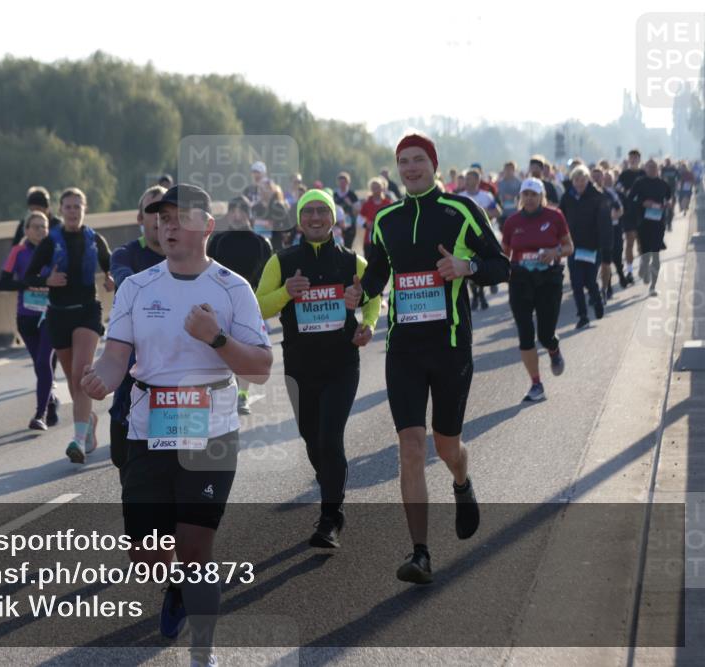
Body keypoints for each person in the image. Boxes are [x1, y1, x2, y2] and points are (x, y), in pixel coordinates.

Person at [81, 184, 272, 667]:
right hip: (149, 426)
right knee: (147, 556)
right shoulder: (137, 288)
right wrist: (99, 381)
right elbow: (116, 358)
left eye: (179, 217)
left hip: (211, 427)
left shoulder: (233, 288)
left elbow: (260, 368)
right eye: (161, 218)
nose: (168, 226)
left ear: (207, 226)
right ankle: (177, 587)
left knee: (194, 546)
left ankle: (202, 654)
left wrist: (217, 338)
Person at [344, 133, 508, 584]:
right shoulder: (385, 219)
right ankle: (420, 553)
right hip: (404, 350)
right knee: (410, 446)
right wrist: (361, 292)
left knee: (445, 445)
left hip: (451, 346)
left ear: (434, 165)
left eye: (418, 160)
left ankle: (461, 480)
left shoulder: (460, 211)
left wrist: (466, 267)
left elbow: (501, 265)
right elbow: (377, 275)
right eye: (403, 161)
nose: (411, 168)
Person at [255, 188, 380, 548]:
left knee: (329, 437)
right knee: (312, 439)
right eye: (307, 211)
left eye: (321, 211)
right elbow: (258, 307)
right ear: (299, 219)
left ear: (333, 218)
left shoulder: (350, 261)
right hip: (299, 365)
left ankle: (330, 517)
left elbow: (374, 299)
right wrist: (286, 293)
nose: (314, 217)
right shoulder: (282, 260)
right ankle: (330, 484)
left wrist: (367, 325)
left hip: (342, 363)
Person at [25, 187, 114, 464]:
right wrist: (47, 281)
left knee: (81, 373)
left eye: (78, 206)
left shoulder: (94, 239)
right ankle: (89, 421)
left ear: (84, 209)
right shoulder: (50, 242)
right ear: (60, 211)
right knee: (74, 382)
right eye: (68, 207)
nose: (73, 211)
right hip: (58, 314)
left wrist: (113, 280)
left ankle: (76, 439)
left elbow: (112, 266)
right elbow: (29, 275)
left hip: (87, 311)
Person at [107, 185, 166, 472]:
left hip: (175, 376)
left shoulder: (187, 258)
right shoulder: (125, 254)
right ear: (139, 218)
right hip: (132, 369)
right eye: (151, 210)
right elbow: (125, 281)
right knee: (122, 459)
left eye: (164, 211)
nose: (157, 218)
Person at [501, 179, 573, 401]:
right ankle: (536, 383)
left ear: (541, 195)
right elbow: (504, 253)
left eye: (534, 194)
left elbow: (570, 247)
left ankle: (553, 348)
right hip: (521, 281)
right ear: (521, 197)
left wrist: (555, 252)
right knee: (525, 334)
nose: (529, 198)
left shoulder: (555, 216)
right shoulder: (512, 222)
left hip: (548, 281)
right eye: (526, 194)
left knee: (545, 333)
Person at [207, 195, 273, 415]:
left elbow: (268, 279)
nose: (237, 215)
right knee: (221, 350)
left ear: (248, 213)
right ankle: (220, 393)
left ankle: (242, 397)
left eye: (241, 210)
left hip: (249, 305)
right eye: (233, 210)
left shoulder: (261, 244)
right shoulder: (217, 241)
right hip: (220, 305)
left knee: (248, 351)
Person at [0, 211, 59, 430]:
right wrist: (29, 283)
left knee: (44, 361)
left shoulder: (55, 251)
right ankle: (50, 398)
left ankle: (39, 414)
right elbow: (3, 283)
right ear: (26, 230)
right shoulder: (19, 251)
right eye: (35, 227)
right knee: (40, 365)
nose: (41, 231)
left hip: (50, 315)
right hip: (26, 316)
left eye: (44, 227)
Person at [558, 165, 612, 329]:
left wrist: (605, 244)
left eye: (582, 180)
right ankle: (582, 316)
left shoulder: (597, 196)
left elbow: (605, 223)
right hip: (573, 246)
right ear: (572, 181)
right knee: (576, 282)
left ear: (587, 180)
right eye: (576, 180)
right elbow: (560, 218)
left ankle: (597, 301)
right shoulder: (568, 197)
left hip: (591, 247)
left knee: (589, 280)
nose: (579, 183)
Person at [628, 159, 672, 296]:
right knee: (645, 253)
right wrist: (643, 203)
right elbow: (630, 199)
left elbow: (669, 199)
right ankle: (644, 267)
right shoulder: (639, 183)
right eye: (650, 167)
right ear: (645, 169)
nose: (652, 169)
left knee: (656, 254)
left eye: (654, 167)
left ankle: (653, 286)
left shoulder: (663, 184)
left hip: (658, 224)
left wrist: (667, 204)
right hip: (643, 224)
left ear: (658, 169)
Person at [461, 169, 501, 309]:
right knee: (469, 266)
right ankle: (475, 296)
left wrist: (481, 214)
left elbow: (497, 211)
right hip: (467, 240)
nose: (467, 181)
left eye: (470, 179)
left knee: (482, 266)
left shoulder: (486, 196)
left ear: (477, 181)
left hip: (485, 238)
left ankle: (482, 294)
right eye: (465, 179)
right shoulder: (460, 197)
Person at [592, 166, 628, 299]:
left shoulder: (610, 193)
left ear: (603, 178)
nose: (596, 179)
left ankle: (610, 283)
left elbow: (620, 210)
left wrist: (614, 215)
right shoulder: (587, 194)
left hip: (613, 231)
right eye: (593, 177)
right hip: (595, 235)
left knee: (614, 259)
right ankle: (603, 288)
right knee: (597, 263)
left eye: (598, 176)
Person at [616, 149, 646, 284]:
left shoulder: (643, 174)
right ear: (628, 160)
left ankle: (642, 266)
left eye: (635, 158)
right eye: (631, 158)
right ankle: (629, 271)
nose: (633, 160)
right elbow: (617, 187)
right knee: (629, 242)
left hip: (642, 213)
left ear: (639, 159)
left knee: (641, 244)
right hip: (628, 213)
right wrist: (626, 191)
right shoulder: (624, 174)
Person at [359, 177, 393, 259]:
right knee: (369, 261)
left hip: (385, 237)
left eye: (377, 187)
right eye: (373, 187)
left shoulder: (388, 203)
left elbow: (393, 218)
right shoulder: (367, 204)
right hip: (369, 239)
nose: (375, 189)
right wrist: (366, 224)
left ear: (382, 188)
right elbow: (359, 218)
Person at [333, 172, 360, 249]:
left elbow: (357, 211)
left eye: (344, 182)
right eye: (340, 182)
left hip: (350, 225)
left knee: (348, 247)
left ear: (348, 182)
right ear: (337, 183)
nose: (342, 184)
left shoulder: (352, 195)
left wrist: (350, 204)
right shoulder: (334, 194)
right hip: (336, 226)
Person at [497, 161, 522, 227]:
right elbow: (497, 197)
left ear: (514, 170)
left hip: (515, 213)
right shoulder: (500, 183)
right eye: (506, 169)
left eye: (510, 169)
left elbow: (522, 197)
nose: (507, 171)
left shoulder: (519, 183)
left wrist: (513, 197)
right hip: (503, 213)